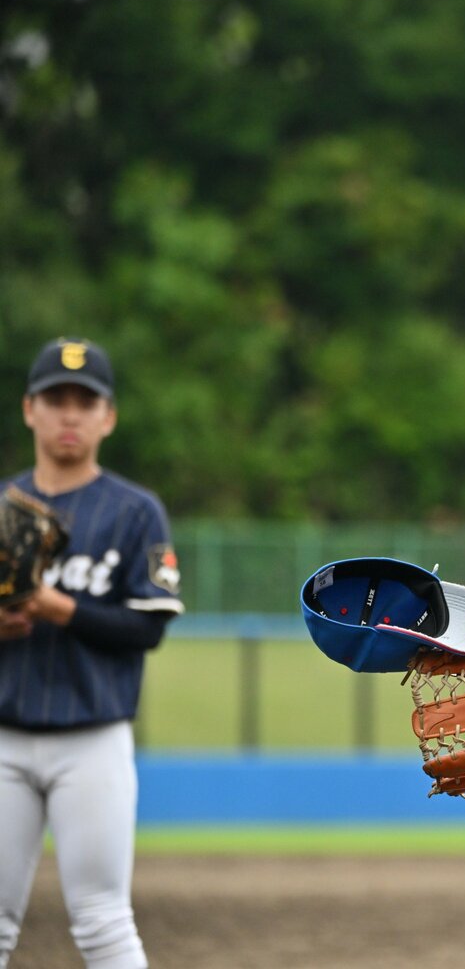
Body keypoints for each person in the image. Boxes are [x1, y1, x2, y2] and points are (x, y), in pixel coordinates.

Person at [0, 338, 184, 969]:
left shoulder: (135, 512)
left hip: (93, 740)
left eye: (86, 401)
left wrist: (57, 608)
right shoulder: (2, 507)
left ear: (108, 416)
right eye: (56, 399)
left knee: (103, 920)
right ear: (30, 409)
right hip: (3, 738)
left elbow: (147, 628)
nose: (69, 414)